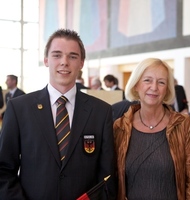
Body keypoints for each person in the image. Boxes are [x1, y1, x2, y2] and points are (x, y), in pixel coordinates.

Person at [0, 29, 116, 200]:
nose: (64, 62)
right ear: (46, 60)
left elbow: (107, 176)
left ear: (81, 63)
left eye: (73, 56)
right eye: (57, 55)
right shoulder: (19, 109)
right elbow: (4, 170)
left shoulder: (101, 112)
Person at [113, 58, 190, 199]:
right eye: (147, 80)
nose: (154, 87)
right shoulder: (119, 127)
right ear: (136, 85)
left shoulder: (183, 124)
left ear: (167, 89)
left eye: (161, 82)